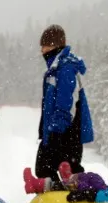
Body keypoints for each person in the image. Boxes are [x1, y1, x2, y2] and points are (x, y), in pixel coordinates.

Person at [35, 24, 94, 183]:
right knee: (46, 169)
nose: (42, 51)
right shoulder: (55, 69)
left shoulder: (66, 69)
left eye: (45, 46)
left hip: (66, 133)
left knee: (62, 171)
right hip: (55, 130)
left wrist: (56, 131)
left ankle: (71, 199)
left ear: (54, 46)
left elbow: (66, 103)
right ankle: (53, 201)